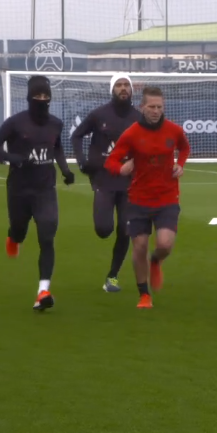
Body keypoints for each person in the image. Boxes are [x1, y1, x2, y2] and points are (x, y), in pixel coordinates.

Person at [0, 75, 75, 311]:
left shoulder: (56, 123)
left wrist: (65, 170)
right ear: (29, 98)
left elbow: (56, 148)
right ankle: (13, 237)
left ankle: (43, 291)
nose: (42, 100)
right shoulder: (15, 122)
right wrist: (12, 158)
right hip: (19, 188)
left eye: (46, 96)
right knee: (19, 230)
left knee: (47, 235)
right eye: (37, 96)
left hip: (45, 189)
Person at [104, 86, 190, 309]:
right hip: (138, 200)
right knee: (140, 246)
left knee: (164, 244)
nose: (155, 111)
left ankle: (156, 260)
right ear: (142, 107)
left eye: (159, 107)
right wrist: (121, 168)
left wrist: (180, 165)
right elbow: (111, 160)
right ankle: (144, 294)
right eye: (151, 107)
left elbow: (185, 148)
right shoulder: (131, 133)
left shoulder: (174, 130)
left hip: (167, 198)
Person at [70, 73, 139, 293]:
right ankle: (104, 230)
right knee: (103, 229)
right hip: (103, 178)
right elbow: (76, 136)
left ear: (131, 90)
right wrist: (82, 161)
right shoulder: (99, 114)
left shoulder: (139, 118)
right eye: (118, 85)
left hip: (130, 182)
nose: (122, 88)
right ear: (112, 89)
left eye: (126, 85)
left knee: (126, 229)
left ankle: (113, 277)